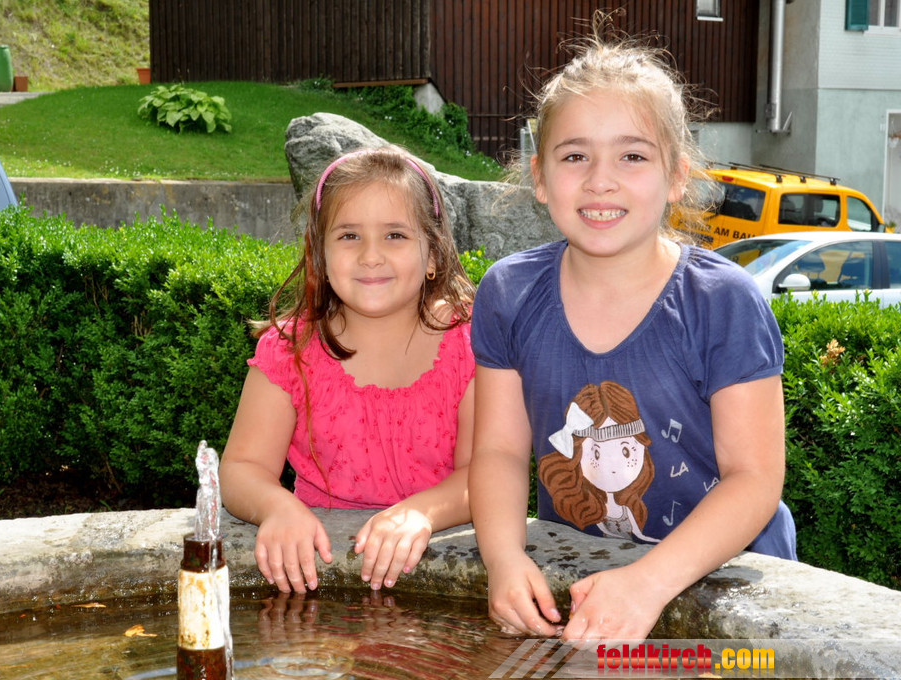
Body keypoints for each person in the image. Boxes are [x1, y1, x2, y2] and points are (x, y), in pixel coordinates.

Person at [468, 23, 797, 643]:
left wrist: (648, 583)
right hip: (594, 585)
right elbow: (500, 452)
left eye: (633, 156)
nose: (601, 179)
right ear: (539, 176)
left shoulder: (722, 302)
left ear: (677, 176)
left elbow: (754, 479)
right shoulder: (508, 294)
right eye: (575, 156)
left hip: (730, 595)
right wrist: (504, 559)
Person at [220, 146, 476, 595]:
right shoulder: (290, 350)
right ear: (319, 255)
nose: (371, 255)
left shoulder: (469, 346)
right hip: (320, 584)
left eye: (395, 235)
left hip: (443, 582)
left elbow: (486, 474)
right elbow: (242, 468)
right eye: (349, 236)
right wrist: (277, 508)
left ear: (434, 254)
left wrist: (421, 513)